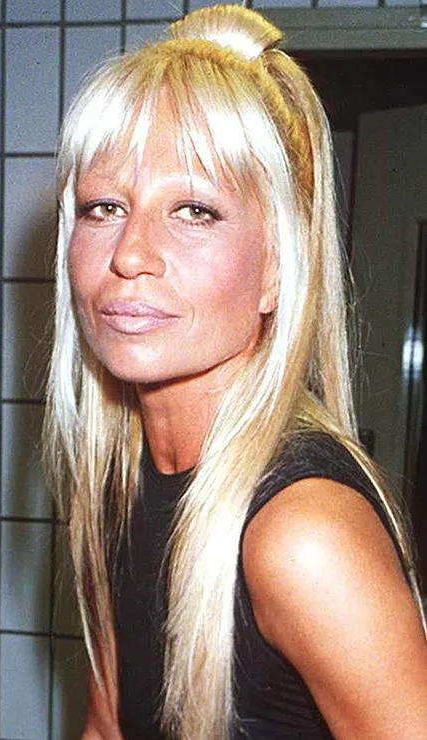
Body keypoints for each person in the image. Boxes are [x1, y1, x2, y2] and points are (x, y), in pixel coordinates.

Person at [44, 4, 427, 739]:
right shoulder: (118, 479)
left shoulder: (301, 535)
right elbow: (106, 727)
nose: (130, 253)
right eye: (104, 206)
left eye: (194, 210)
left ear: (277, 270)